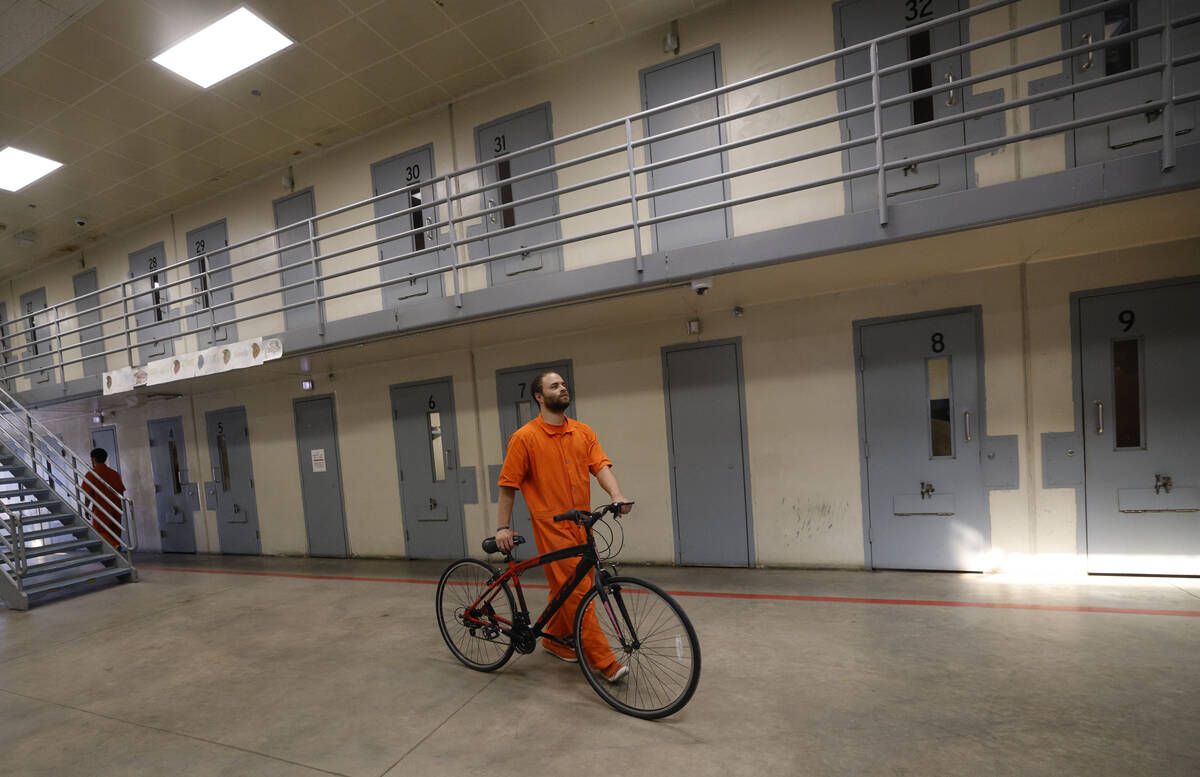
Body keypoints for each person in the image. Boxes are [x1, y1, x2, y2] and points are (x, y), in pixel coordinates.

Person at [496, 371, 634, 682]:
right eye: (554, 385)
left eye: (563, 383)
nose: (562, 388)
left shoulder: (583, 432)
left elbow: (600, 465)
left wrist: (616, 495)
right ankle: (605, 662)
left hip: (581, 523)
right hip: (552, 526)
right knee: (579, 592)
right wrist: (502, 527)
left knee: (568, 585)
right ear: (539, 397)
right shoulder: (524, 438)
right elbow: (508, 485)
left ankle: (555, 640)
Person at [81, 447, 125, 548]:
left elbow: (87, 493)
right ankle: (116, 546)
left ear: (93, 459)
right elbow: (121, 492)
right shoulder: (114, 473)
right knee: (115, 531)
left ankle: (115, 546)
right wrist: (120, 507)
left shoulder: (91, 474)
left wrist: (86, 508)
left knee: (99, 530)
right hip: (116, 507)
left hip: (101, 508)